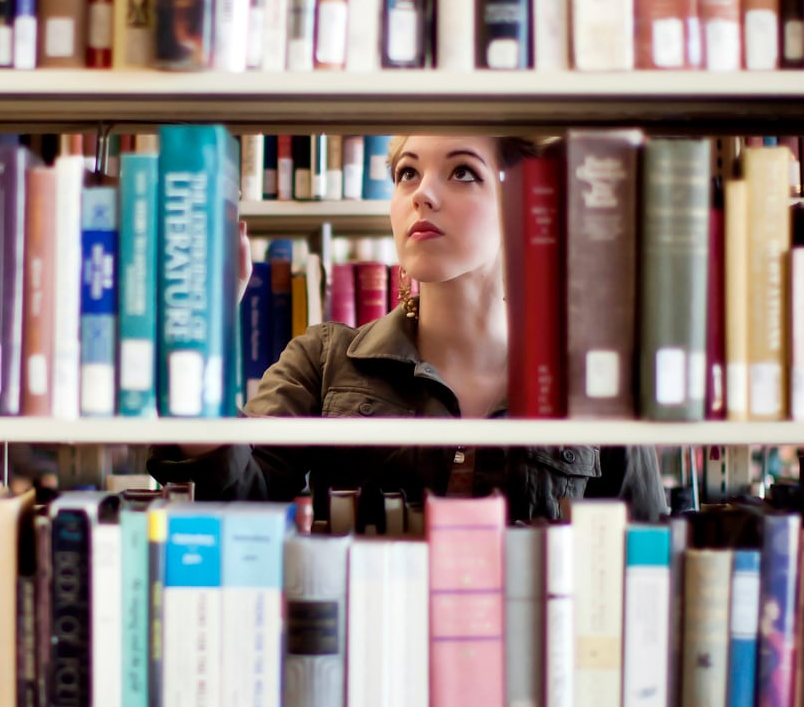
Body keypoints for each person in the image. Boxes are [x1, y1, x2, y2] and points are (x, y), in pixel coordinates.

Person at [149, 134, 667, 524]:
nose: (422, 195)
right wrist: (203, 328)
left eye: (462, 171)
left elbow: (642, 566)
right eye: (406, 173)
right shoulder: (324, 359)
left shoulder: (594, 386)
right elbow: (235, 507)